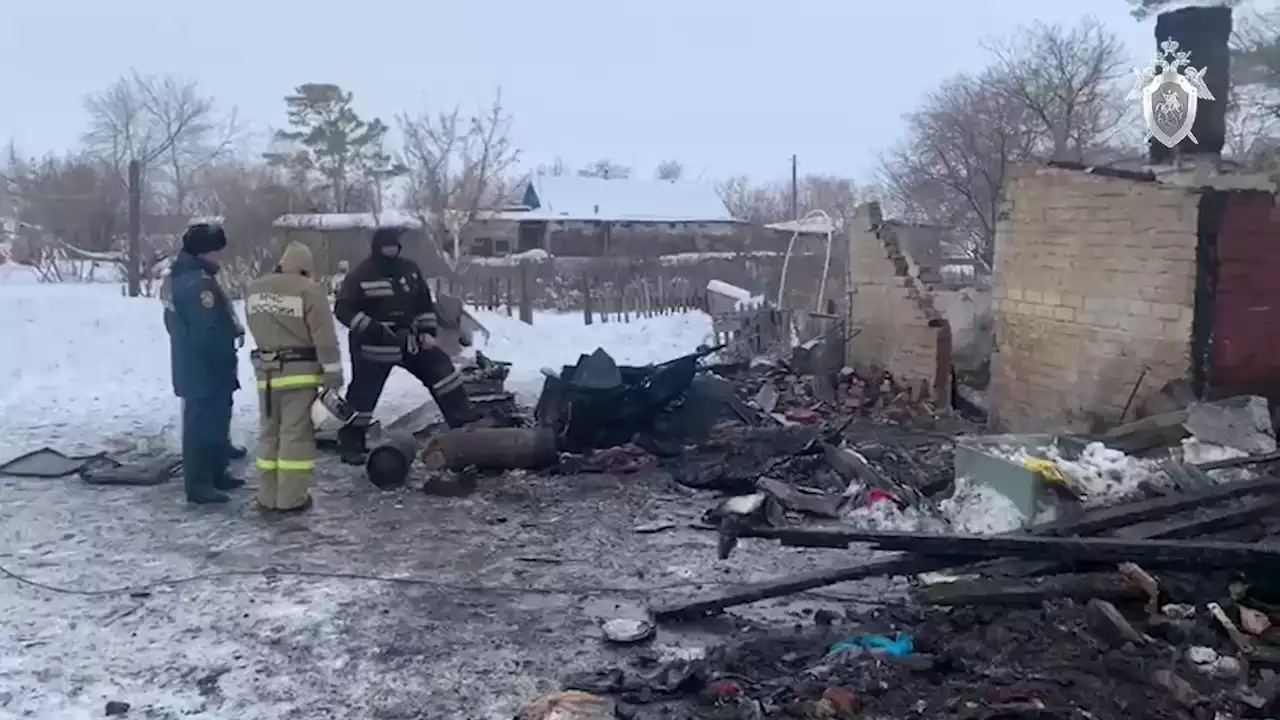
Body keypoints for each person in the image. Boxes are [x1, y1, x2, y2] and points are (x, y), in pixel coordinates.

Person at [333, 227, 481, 465]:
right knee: (363, 394)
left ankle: (463, 425)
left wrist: (427, 331)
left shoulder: (410, 270)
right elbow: (343, 310)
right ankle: (351, 442)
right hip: (374, 347)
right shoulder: (361, 275)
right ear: (378, 248)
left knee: (442, 370)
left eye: (395, 246)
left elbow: (424, 303)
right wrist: (373, 328)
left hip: (411, 341)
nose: (392, 250)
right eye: (387, 247)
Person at [244, 241, 343, 512]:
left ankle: (267, 495)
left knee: (269, 434)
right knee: (295, 437)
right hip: (299, 376)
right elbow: (324, 337)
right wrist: (333, 374)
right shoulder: (308, 291)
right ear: (304, 269)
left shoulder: (255, 289)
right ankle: (290, 498)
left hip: (266, 374)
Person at [160, 224, 244, 504]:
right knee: (201, 425)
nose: (222, 254)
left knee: (216, 421)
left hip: (199, 364)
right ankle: (199, 484)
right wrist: (224, 357)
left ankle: (216, 472)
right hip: (204, 367)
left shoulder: (184, 277)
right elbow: (205, 330)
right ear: (206, 250)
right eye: (219, 249)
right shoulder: (197, 284)